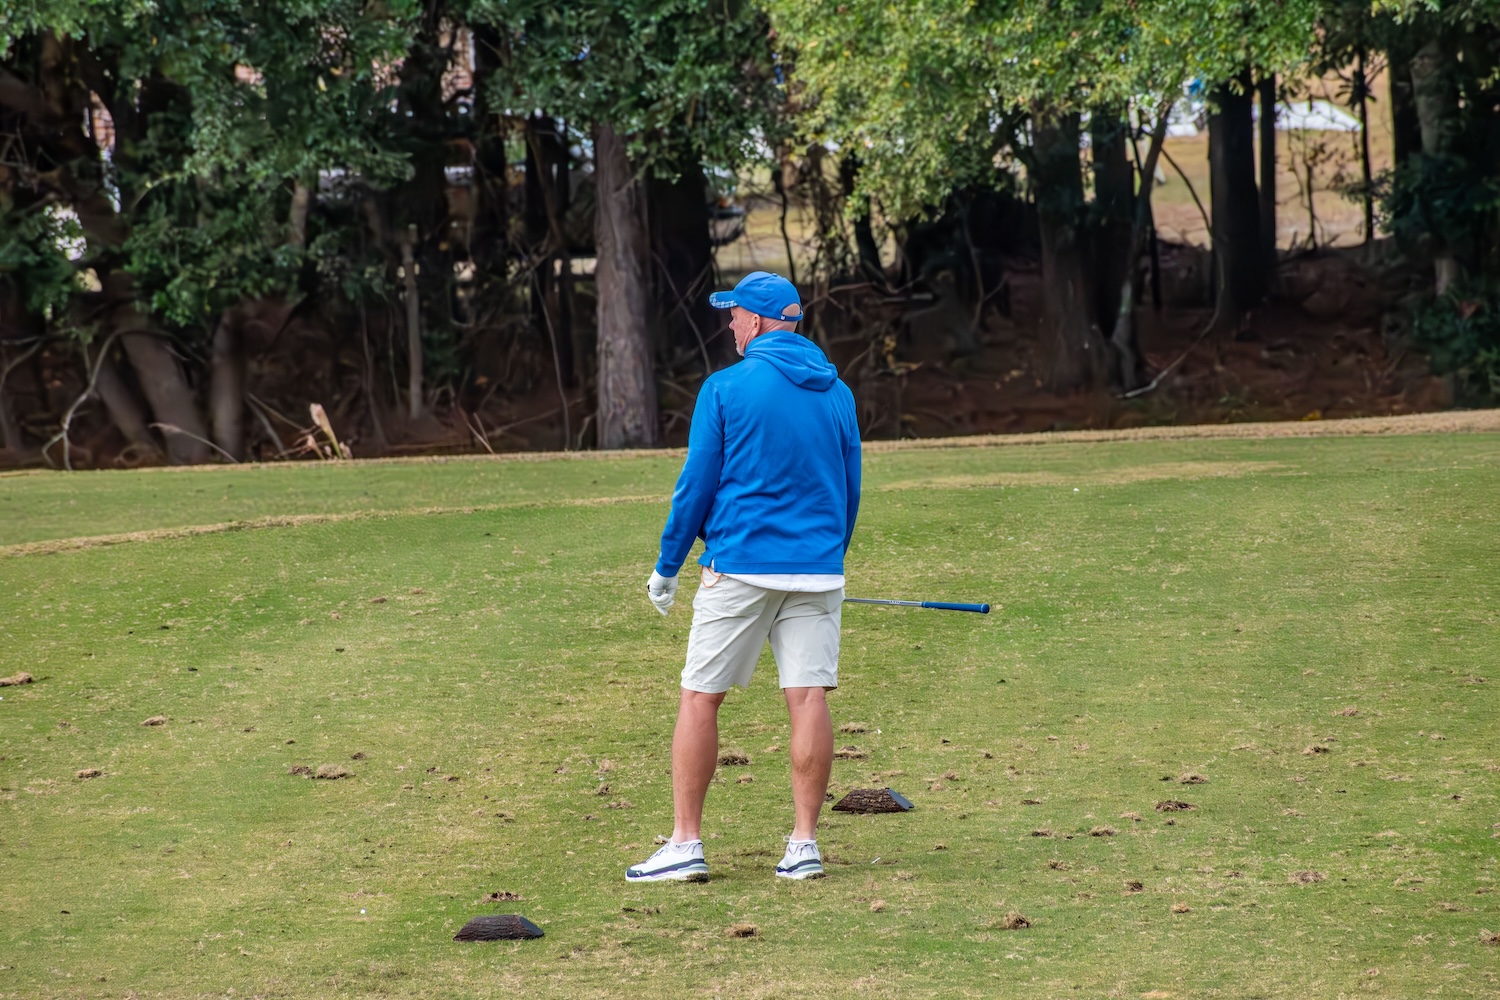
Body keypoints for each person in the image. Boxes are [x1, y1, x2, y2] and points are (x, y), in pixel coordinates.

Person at [626, 271, 861, 883]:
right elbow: (850, 489)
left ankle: (685, 843)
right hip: (818, 570)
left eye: (734, 315)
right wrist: (827, 556)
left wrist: (668, 565)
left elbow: (695, 485)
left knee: (701, 696)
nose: (730, 324)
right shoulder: (838, 392)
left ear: (755, 321)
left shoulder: (724, 388)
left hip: (740, 567)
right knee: (808, 697)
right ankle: (804, 845)